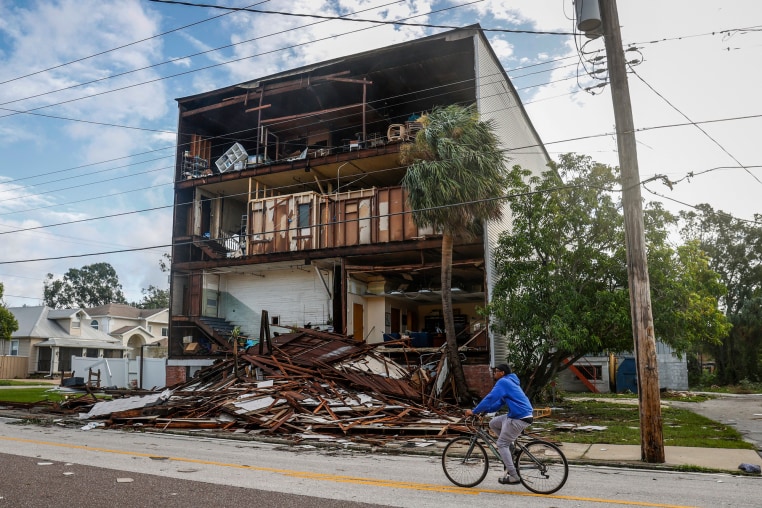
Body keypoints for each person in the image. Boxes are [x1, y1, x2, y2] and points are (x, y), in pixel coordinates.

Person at [464, 363, 533, 485]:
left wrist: (475, 411)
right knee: (493, 423)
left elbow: (490, 398)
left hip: (519, 417)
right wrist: (486, 411)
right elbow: (499, 403)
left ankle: (513, 476)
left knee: (501, 444)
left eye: (496, 371)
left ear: (502, 373)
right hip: (520, 415)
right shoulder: (509, 381)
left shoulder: (503, 382)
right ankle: (511, 448)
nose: (494, 373)